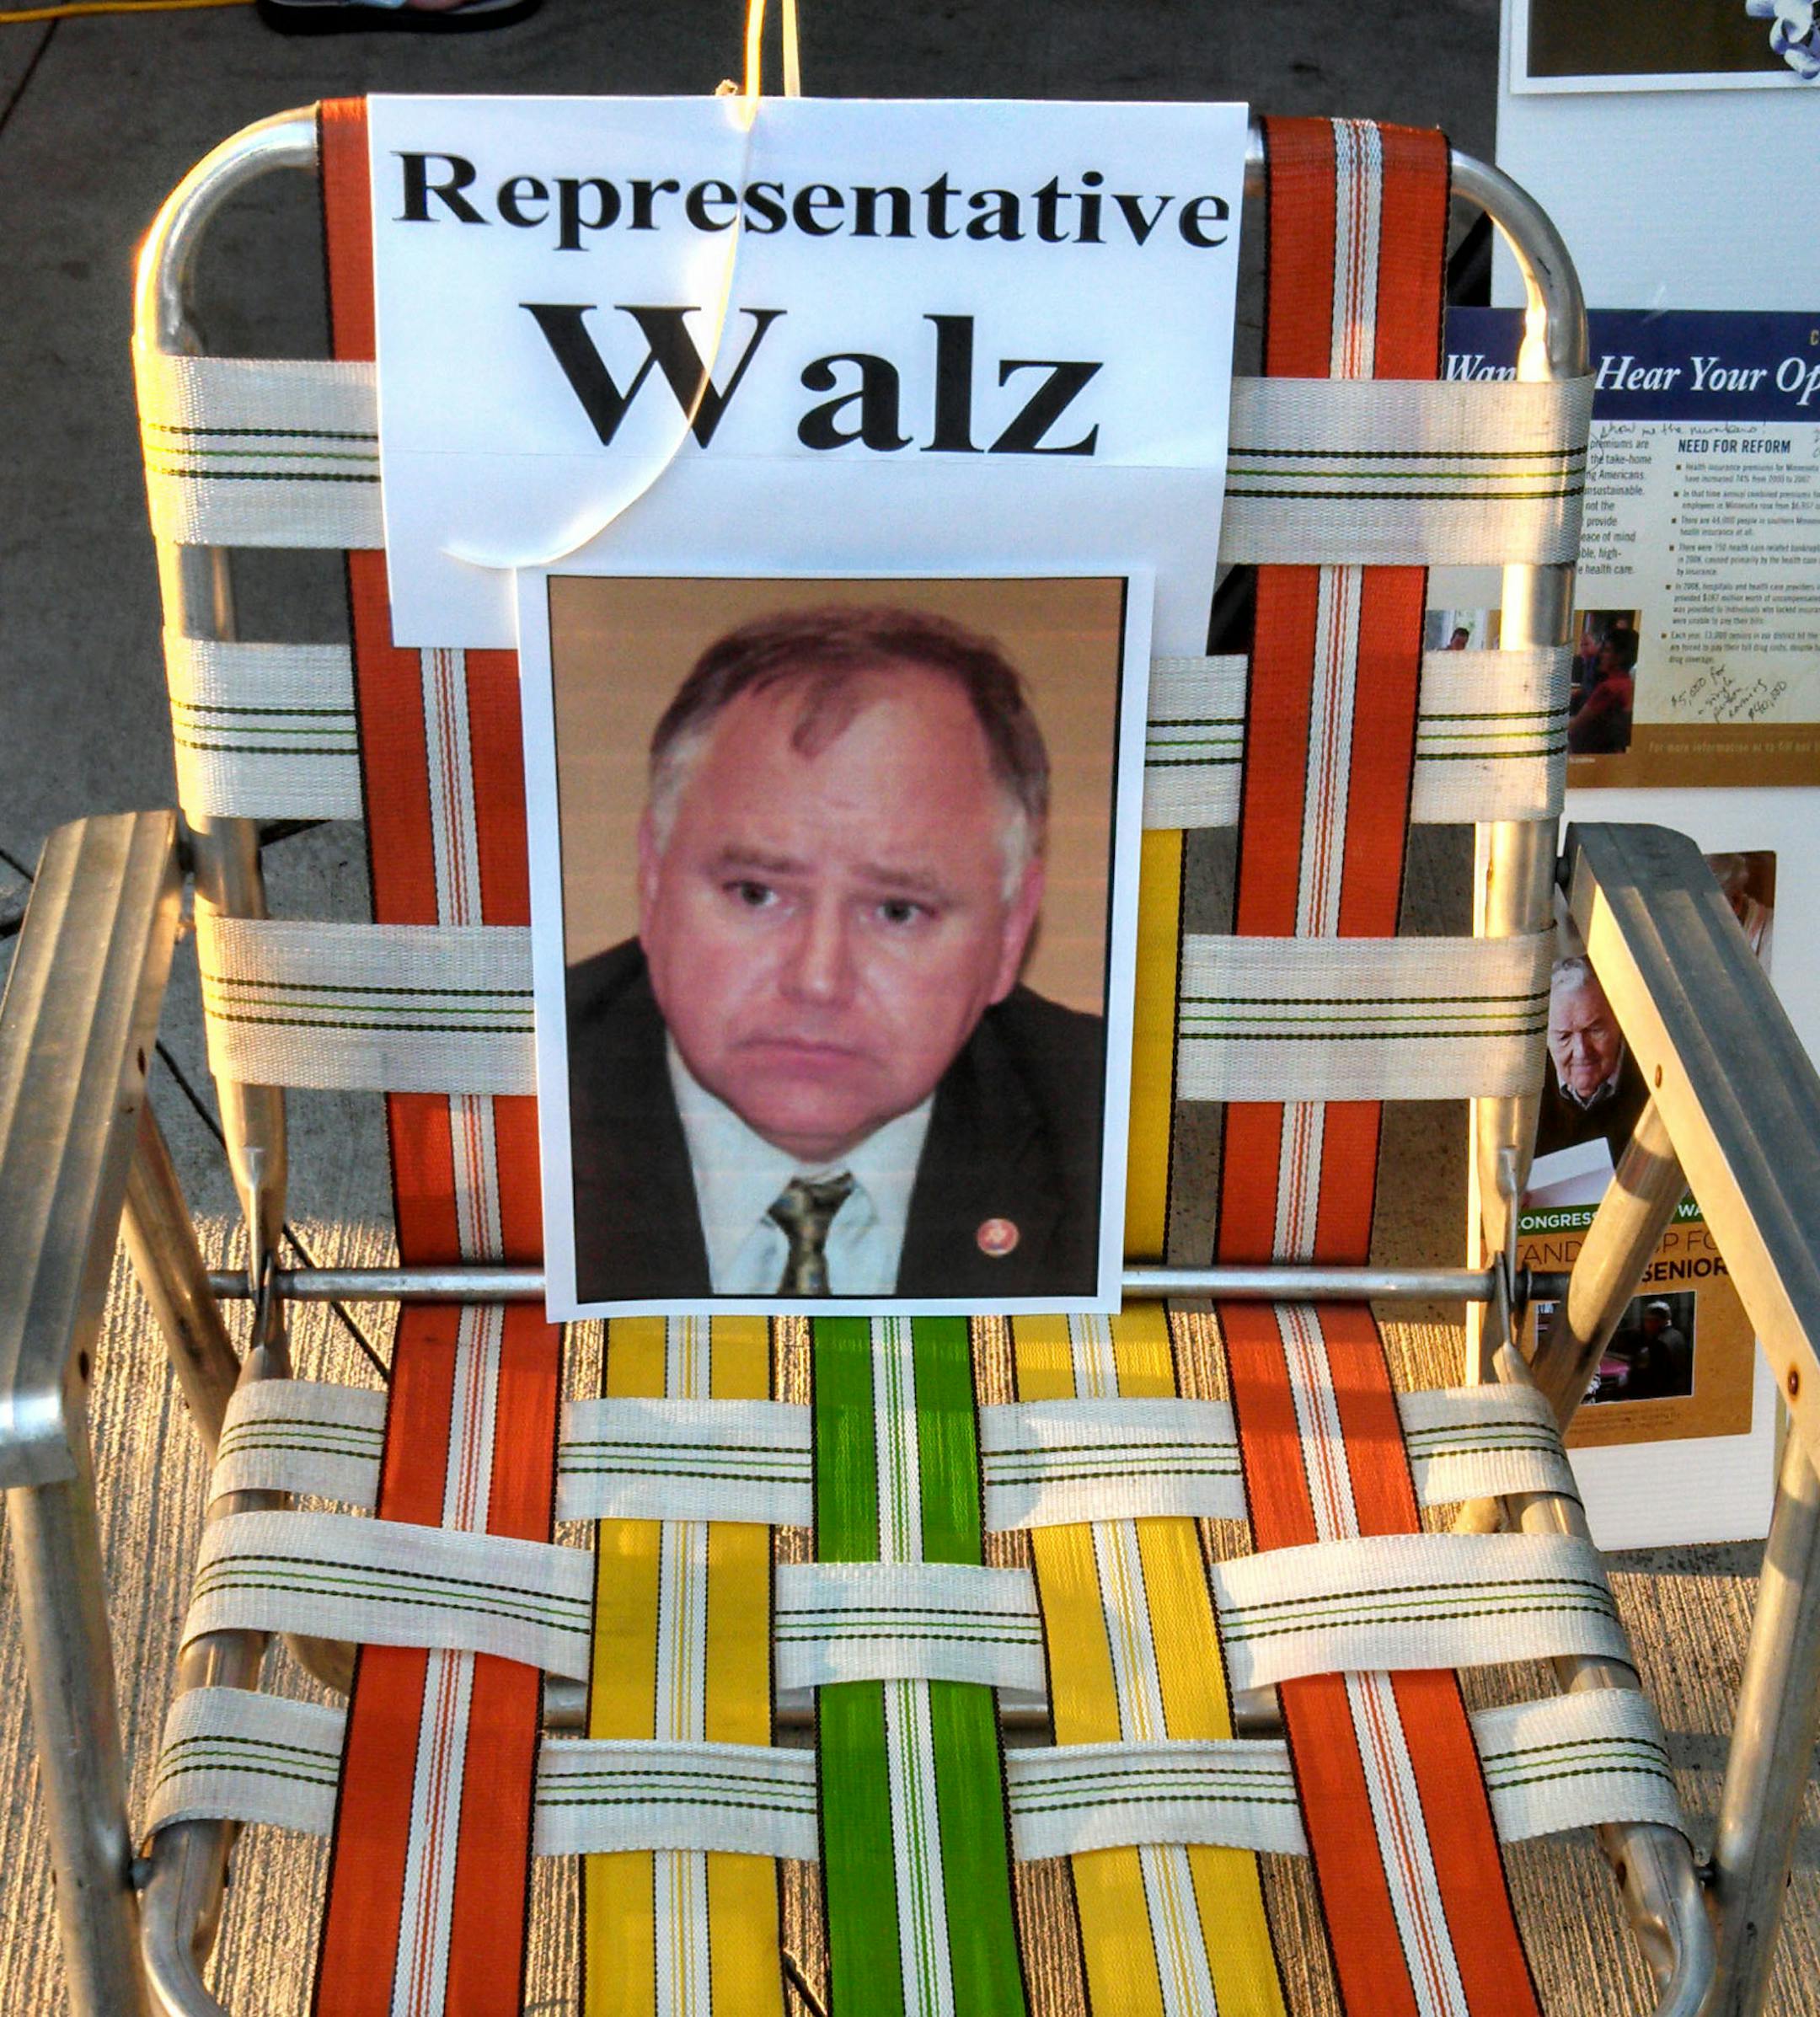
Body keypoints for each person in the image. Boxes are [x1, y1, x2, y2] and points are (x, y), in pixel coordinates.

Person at [565, 606, 1107, 1302]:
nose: (818, 980)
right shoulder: (496, 1106)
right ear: (651, 882)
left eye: (898, 910)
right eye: (756, 893)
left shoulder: (1127, 1134)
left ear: (1009, 936)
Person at [1533, 955, 1648, 1162]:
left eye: (1594, 1030)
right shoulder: (1525, 1093)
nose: (1581, 1051)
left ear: (1618, 1022)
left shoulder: (1652, 1075)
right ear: (1546, 1037)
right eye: (1564, 1037)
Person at [1567, 625, 1638, 756]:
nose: (1601, 655)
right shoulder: (1628, 684)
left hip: (1589, 756)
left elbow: (1573, 727)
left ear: (1620, 657)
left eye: (1606, 650)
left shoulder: (1609, 688)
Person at [1625, 1300, 1694, 1401]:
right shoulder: (1678, 1335)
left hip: (1658, 1395)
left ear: (1659, 1321)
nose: (1646, 1324)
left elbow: (1651, 1376)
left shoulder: (1659, 1343)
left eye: (1649, 1320)